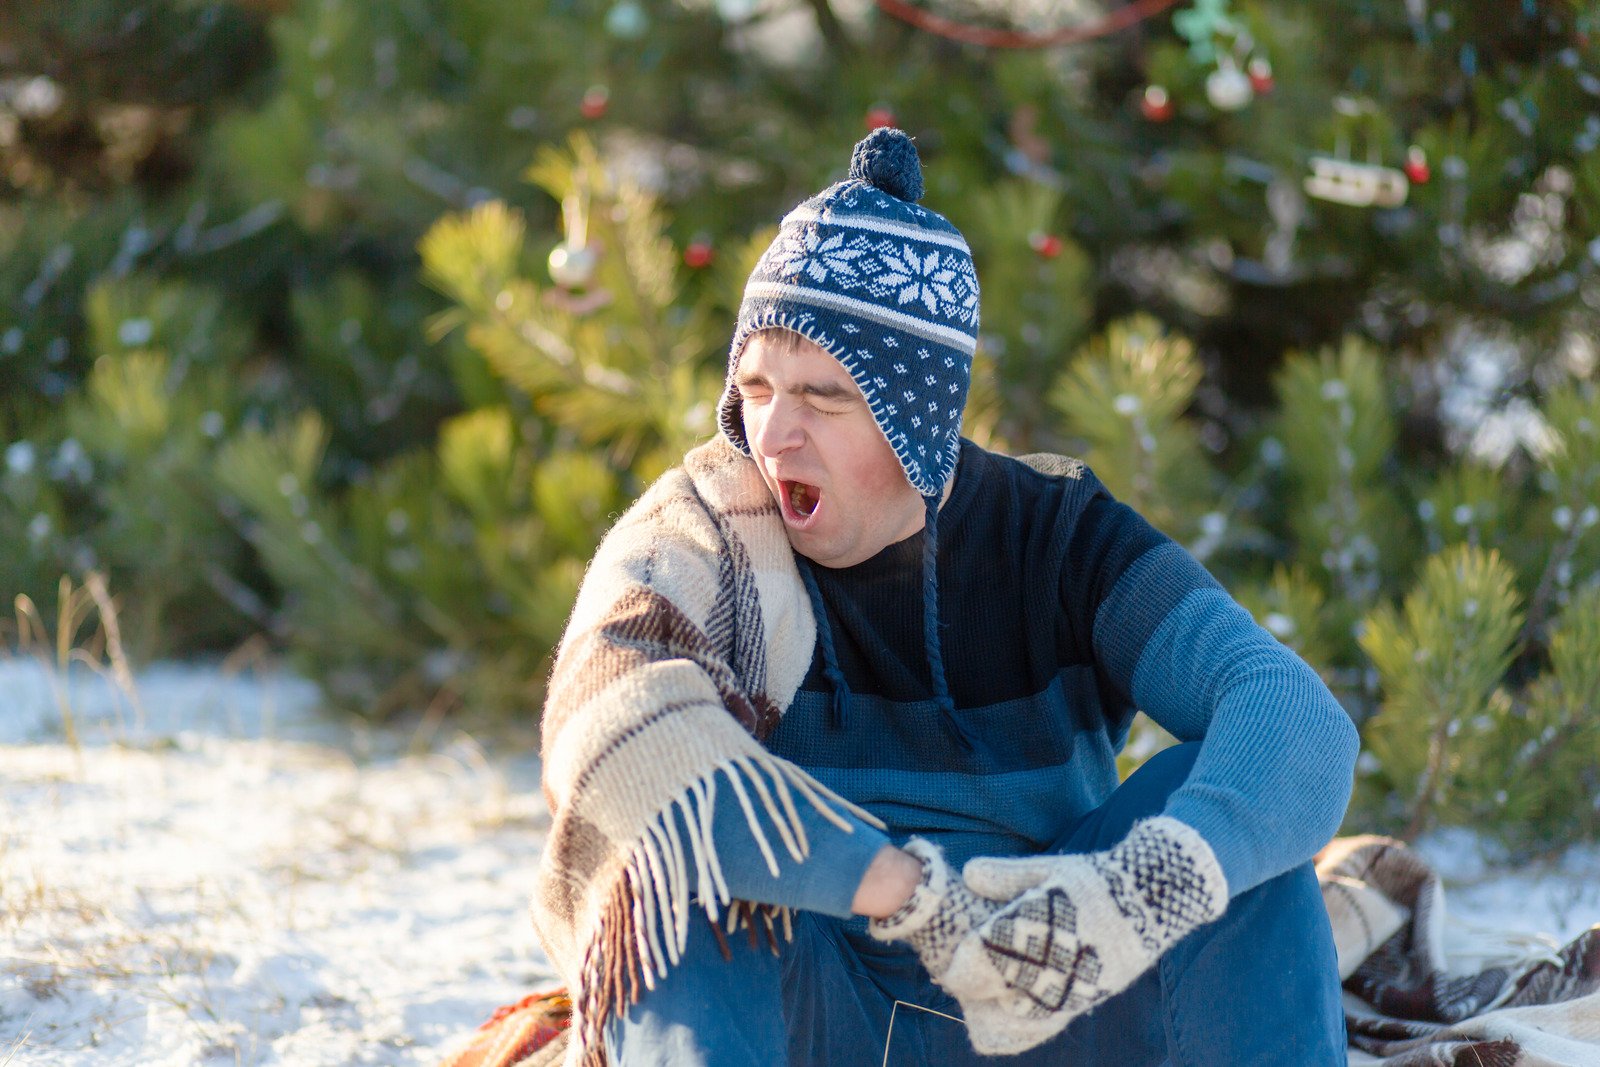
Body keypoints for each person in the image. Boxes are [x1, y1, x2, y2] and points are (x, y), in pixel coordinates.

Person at [529, 128, 1360, 1067]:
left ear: (914, 421)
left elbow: (1296, 717)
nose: (776, 436)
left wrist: (1131, 899)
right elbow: (613, 734)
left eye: (827, 397)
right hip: (815, 1006)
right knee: (682, 866)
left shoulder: (1056, 531)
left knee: (1236, 843)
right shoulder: (706, 527)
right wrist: (901, 885)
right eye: (756, 388)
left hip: (1048, 993)